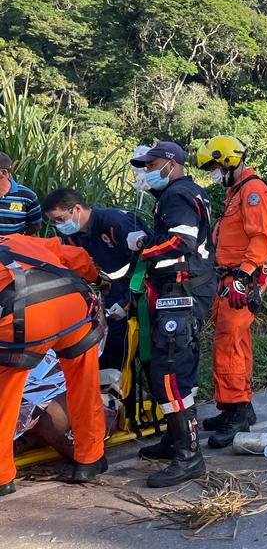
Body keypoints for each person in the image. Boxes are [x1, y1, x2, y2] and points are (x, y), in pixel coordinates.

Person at [128, 141, 216, 487]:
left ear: (170, 162)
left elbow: (181, 242)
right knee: (169, 368)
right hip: (181, 290)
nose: (145, 172)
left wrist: (142, 246)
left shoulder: (176, 195)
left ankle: (188, 456)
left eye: (150, 165)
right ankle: (174, 440)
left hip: (182, 292)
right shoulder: (184, 191)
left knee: (169, 372)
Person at [0, 233, 107, 496]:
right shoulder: (15, 239)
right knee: (84, 384)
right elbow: (77, 257)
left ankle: (3, 477)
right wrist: (96, 278)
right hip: (72, 308)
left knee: (5, 397)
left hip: (21, 321)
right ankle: (89, 459)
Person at [195, 135, 267, 448]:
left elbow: (260, 240)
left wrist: (243, 277)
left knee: (228, 345)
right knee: (234, 344)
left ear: (228, 161)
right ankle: (237, 407)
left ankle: (236, 412)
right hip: (227, 279)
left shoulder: (252, 191)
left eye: (214, 166)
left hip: (240, 281)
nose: (213, 172)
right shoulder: (236, 192)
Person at [42, 188, 152, 372]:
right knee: (111, 355)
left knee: (148, 356)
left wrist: (127, 303)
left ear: (76, 209)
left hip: (141, 293)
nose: (57, 225)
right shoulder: (72, 236)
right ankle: (118, 395)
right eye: (52, 222)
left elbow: (148, 263)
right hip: (110, 297)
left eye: (59, 219)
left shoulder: (115, 223)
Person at [0, 152, 41, 236]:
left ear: (3, 172)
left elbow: (35, 225)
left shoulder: (27, 196)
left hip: (12, 248)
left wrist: (18, 240)